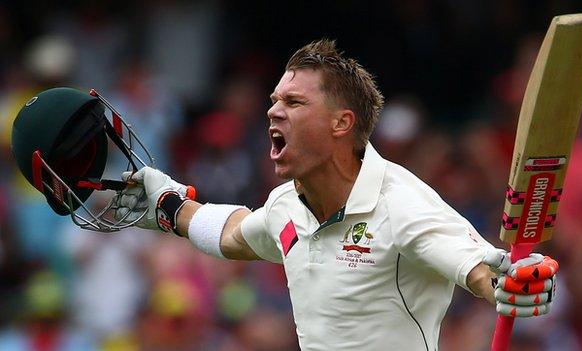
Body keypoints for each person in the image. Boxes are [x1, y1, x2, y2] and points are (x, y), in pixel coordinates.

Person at [114, 40, 558, 350]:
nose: (273, 110)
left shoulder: (401, 203)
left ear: (341, 123)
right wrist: (169, 206)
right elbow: (237, 234)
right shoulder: (286, 204)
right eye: (274, 99)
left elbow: (478, 267)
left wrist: (511, 283)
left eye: (294, 102)